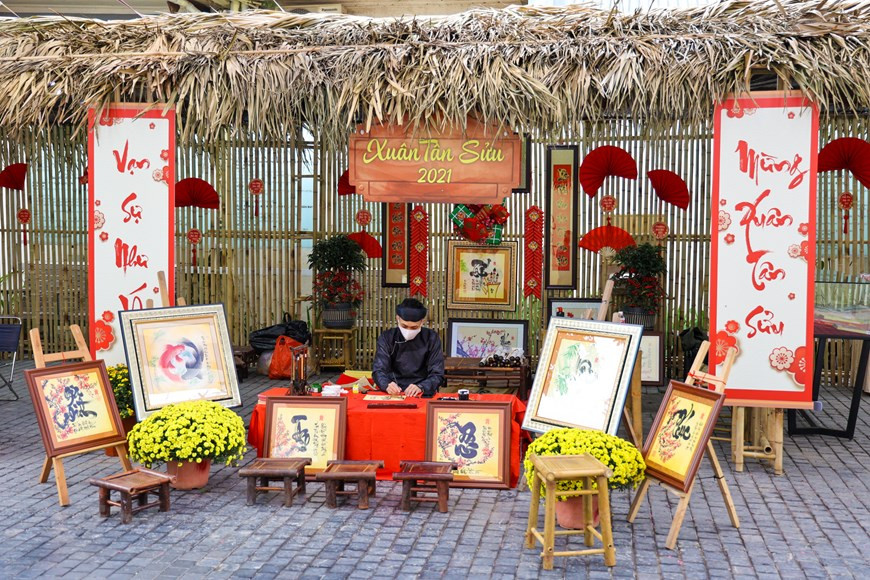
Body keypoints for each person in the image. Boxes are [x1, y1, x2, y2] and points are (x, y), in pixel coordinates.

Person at [372, 298, 444, 397]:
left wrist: (422, 386)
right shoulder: (387, 337)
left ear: (422, 322)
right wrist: (386, 384)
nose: (408, 331)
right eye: (404, 326)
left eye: (414, 327)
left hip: (421, 391)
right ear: (397, 318)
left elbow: (438, 374)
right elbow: (378, 370)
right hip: (394, 391)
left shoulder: (431, 338)